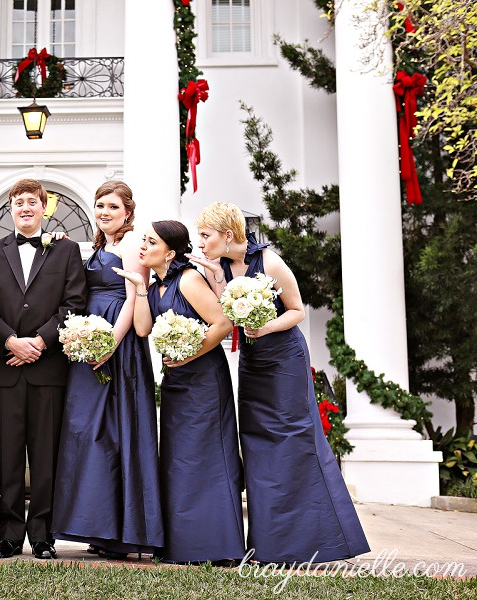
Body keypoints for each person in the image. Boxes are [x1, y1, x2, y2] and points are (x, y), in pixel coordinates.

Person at [190, 201, 369, 563]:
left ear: (228, 234)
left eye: (206, 235)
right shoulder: (220, 265)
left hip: (284, 359)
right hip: (253, 361)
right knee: (256, 443)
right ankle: (268, 544)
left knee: (291, 441)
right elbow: (226, 312)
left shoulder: (269, 261)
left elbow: (298, 310)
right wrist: (212, 275)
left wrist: (266, 325)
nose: (201, 241)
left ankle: (312, 540)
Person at [115, 220, 245, 565]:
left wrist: (189, 352)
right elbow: (143, 329)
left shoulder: (188, 279)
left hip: (204, 379)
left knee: (208, 458)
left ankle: (220, 547)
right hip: (174, 381)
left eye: (151, 242)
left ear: (170, 252)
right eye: (143, 240)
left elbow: (222, 324)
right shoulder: (156, 286)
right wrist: (140, 288)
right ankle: (184, 545)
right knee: (179, 460)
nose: (143, 247)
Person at [0, 178, 87, 560]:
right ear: (10, 209)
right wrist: (9, 341)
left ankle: (42, 537)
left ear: (44, 207)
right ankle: (7, 536)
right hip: (6, 368)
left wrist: (40, 341)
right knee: (7, 456)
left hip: (49, 368)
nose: (25, 207)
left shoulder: (66, 250)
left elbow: (75, 302)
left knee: (46, 457)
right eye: (18, 202)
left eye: (32, 202)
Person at [51, 181, 162, 559]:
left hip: (118, 341)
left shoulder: (132, 244)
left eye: (113, 207)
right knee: (90, 432)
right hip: (89, 340)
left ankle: (123, 531)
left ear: (128, 212)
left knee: (117, 430)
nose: (104, 212)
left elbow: (134, 295)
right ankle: (99, 527)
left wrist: (110, 345)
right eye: (99, 205)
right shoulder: (101, 245)